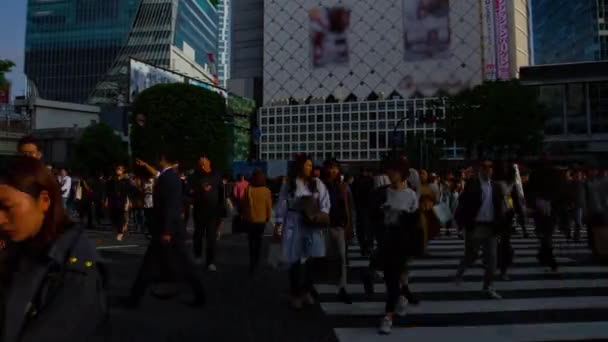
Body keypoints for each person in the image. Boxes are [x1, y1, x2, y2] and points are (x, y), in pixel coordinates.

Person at [0, 157, 107, 342]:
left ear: (44, 200)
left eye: (7, 208)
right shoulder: (20, 243)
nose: (0, 219)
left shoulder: (76, 268)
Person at [125, 149, 205, 308]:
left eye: (157, 159)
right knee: (178, 264)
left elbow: (171, 206)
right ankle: (135, 298)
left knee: (154, 266)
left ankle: (135, 299)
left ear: (163, 159)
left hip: (168, 229)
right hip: (170, 229)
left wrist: (167, 230)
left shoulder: (168, 178)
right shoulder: (170, 176)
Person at [274, 154, 330, 310]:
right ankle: (295, 293)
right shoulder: (290, 183)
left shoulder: (317, 183)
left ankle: (306, 290)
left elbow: (325, 202)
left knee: (311, 259)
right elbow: (282, 203)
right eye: (306, 165)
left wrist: (321, 215)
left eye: (310, 166)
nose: (309, 168)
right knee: (295, 260)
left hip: (311, 222)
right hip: (294, 221)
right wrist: (279, 223)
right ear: (299, 166)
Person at [377, 158, 420, 335]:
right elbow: (376, 215)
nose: (390, 174)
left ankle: (388, 316)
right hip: (387, 239)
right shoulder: (383, 192)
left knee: (395, 278)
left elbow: (415, 221)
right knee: (391, 278)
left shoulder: (410, 194)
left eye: (394, 171)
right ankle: (401, 298)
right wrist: (383, 212)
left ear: (401, 173)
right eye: (389, 171)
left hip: (403, 240)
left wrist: (402, 215)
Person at [454, 158, 505, 299]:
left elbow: (500, 207)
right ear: (480, 169)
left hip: (491, 227)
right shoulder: (473, 184)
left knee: (492, 259)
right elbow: (462, 204)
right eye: (484, 166)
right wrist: (461, 225)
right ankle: (460, 271)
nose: (488, 169)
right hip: (475, 225)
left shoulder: (496, 186)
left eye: (490, 167)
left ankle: (488, 286)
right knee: (471, 255)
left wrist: (501, 226)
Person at [322, 160, 354, 304]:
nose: (333, 171)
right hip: (324, 225)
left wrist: (349, 225)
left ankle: (342, 287)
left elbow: (346, 205)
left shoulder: (342, 186)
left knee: (342, 257)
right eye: (331, 168)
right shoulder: (321, 185)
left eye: (335, 169)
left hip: (339, 225)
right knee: (322, 256)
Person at [189, 154, 225, 271]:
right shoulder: (194, 176)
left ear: (209, 162)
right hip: (199, 210)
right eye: (200, 163)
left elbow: (221, 193)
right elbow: (188, 192)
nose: (202, 165)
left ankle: (210, 262)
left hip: (213, 211)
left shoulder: (216, 175)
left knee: (211, 237)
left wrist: (222, 211)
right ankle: (198, 255)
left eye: (204, 162)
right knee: (198, 234)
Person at [241, 169, 272, 275]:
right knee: (258, 240)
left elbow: (244, 205)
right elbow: (269, 206)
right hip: (261, 220)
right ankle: (256, 261)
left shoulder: (248, 189)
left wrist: (244, 216)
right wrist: (268, 217)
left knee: (251, 241)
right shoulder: (266, 191)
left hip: (250, 219)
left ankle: (252, 261)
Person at [104, 164, 132, 241]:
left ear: (123, 170)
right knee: (113, 215)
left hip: (122, 200)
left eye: (120, 169)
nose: (118, 170)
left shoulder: (126, 180)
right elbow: (108, 190)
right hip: (112, 200)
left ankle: (120, 232)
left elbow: (129, 191)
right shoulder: (112, 179)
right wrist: (106, 199)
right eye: (117, 168)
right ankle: (119, 228)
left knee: (120, 215)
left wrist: (129, 201)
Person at [352, 168, 375, 256]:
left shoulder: (357, 180)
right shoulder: (370, 180)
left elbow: (354, 193)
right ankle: (369, 245)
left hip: (360, 206)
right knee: (369, 227)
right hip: (369, 206)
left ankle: (363, 246)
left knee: (361, 227)